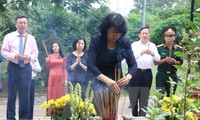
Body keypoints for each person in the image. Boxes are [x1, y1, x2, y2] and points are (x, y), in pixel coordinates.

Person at [87, 13, 137, 118]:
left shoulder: (124, 41)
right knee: (97, 111)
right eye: (112, 32)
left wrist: (128, 77)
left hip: (116, 81)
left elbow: (133, 64)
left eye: (118, 33)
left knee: (111, 111)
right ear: (106, 30)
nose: (115, 36)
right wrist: (107, 81)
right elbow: (90, 66)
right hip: (99, 79)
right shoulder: (96, 40)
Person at [1, 15, 39, 119]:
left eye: (24, 23)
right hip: (13, 67)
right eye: (20, 22)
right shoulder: (9, 36)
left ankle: (24, 118)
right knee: (11, 95)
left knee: (25, 96)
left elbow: (36, 53)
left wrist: (29, 57)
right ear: (16, 24)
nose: (23, 25)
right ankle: (11, 117)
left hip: (26, 68)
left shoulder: (31, 38)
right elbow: (3, 52)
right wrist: (14, 56)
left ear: (27, 25)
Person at [129, 26, 160, 116]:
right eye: (143, 33)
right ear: (139, 34)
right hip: (135, 72)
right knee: (134, 94)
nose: (145, 35)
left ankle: (142, 115)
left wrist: (153, 53)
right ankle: (134, 115)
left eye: (147, 33)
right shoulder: (134, 45)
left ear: (149, 35)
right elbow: (131, 58)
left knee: (145, 95)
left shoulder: (153, 45)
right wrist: (141, 53)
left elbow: (158, 59)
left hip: (147, 73)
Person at [155, 27, 183, 97]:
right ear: (164, 37)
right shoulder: (159, 48)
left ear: (174, 37)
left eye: (171, 36)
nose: (169, 38)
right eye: (167, 36)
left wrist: (174, 62)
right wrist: (164, 60)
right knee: (159, 95)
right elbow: (155, 63)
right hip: (161, 75)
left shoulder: (178, 49)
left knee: (171, 96)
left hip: (172, 75)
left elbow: (181, 62)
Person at [45, 42, 67, 115]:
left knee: (60, 93)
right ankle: (52, 111)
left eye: (56, 46)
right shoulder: (50, 56)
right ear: (52, 48)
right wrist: (47, 61)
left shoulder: (63, 56)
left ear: (59, 47)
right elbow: (48, 67)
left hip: (61, 77)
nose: (55, 48)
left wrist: (65, 78)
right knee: (52, 93)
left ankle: (60, 111)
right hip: (52, 77)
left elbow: (65, 68)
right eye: (53, 46)